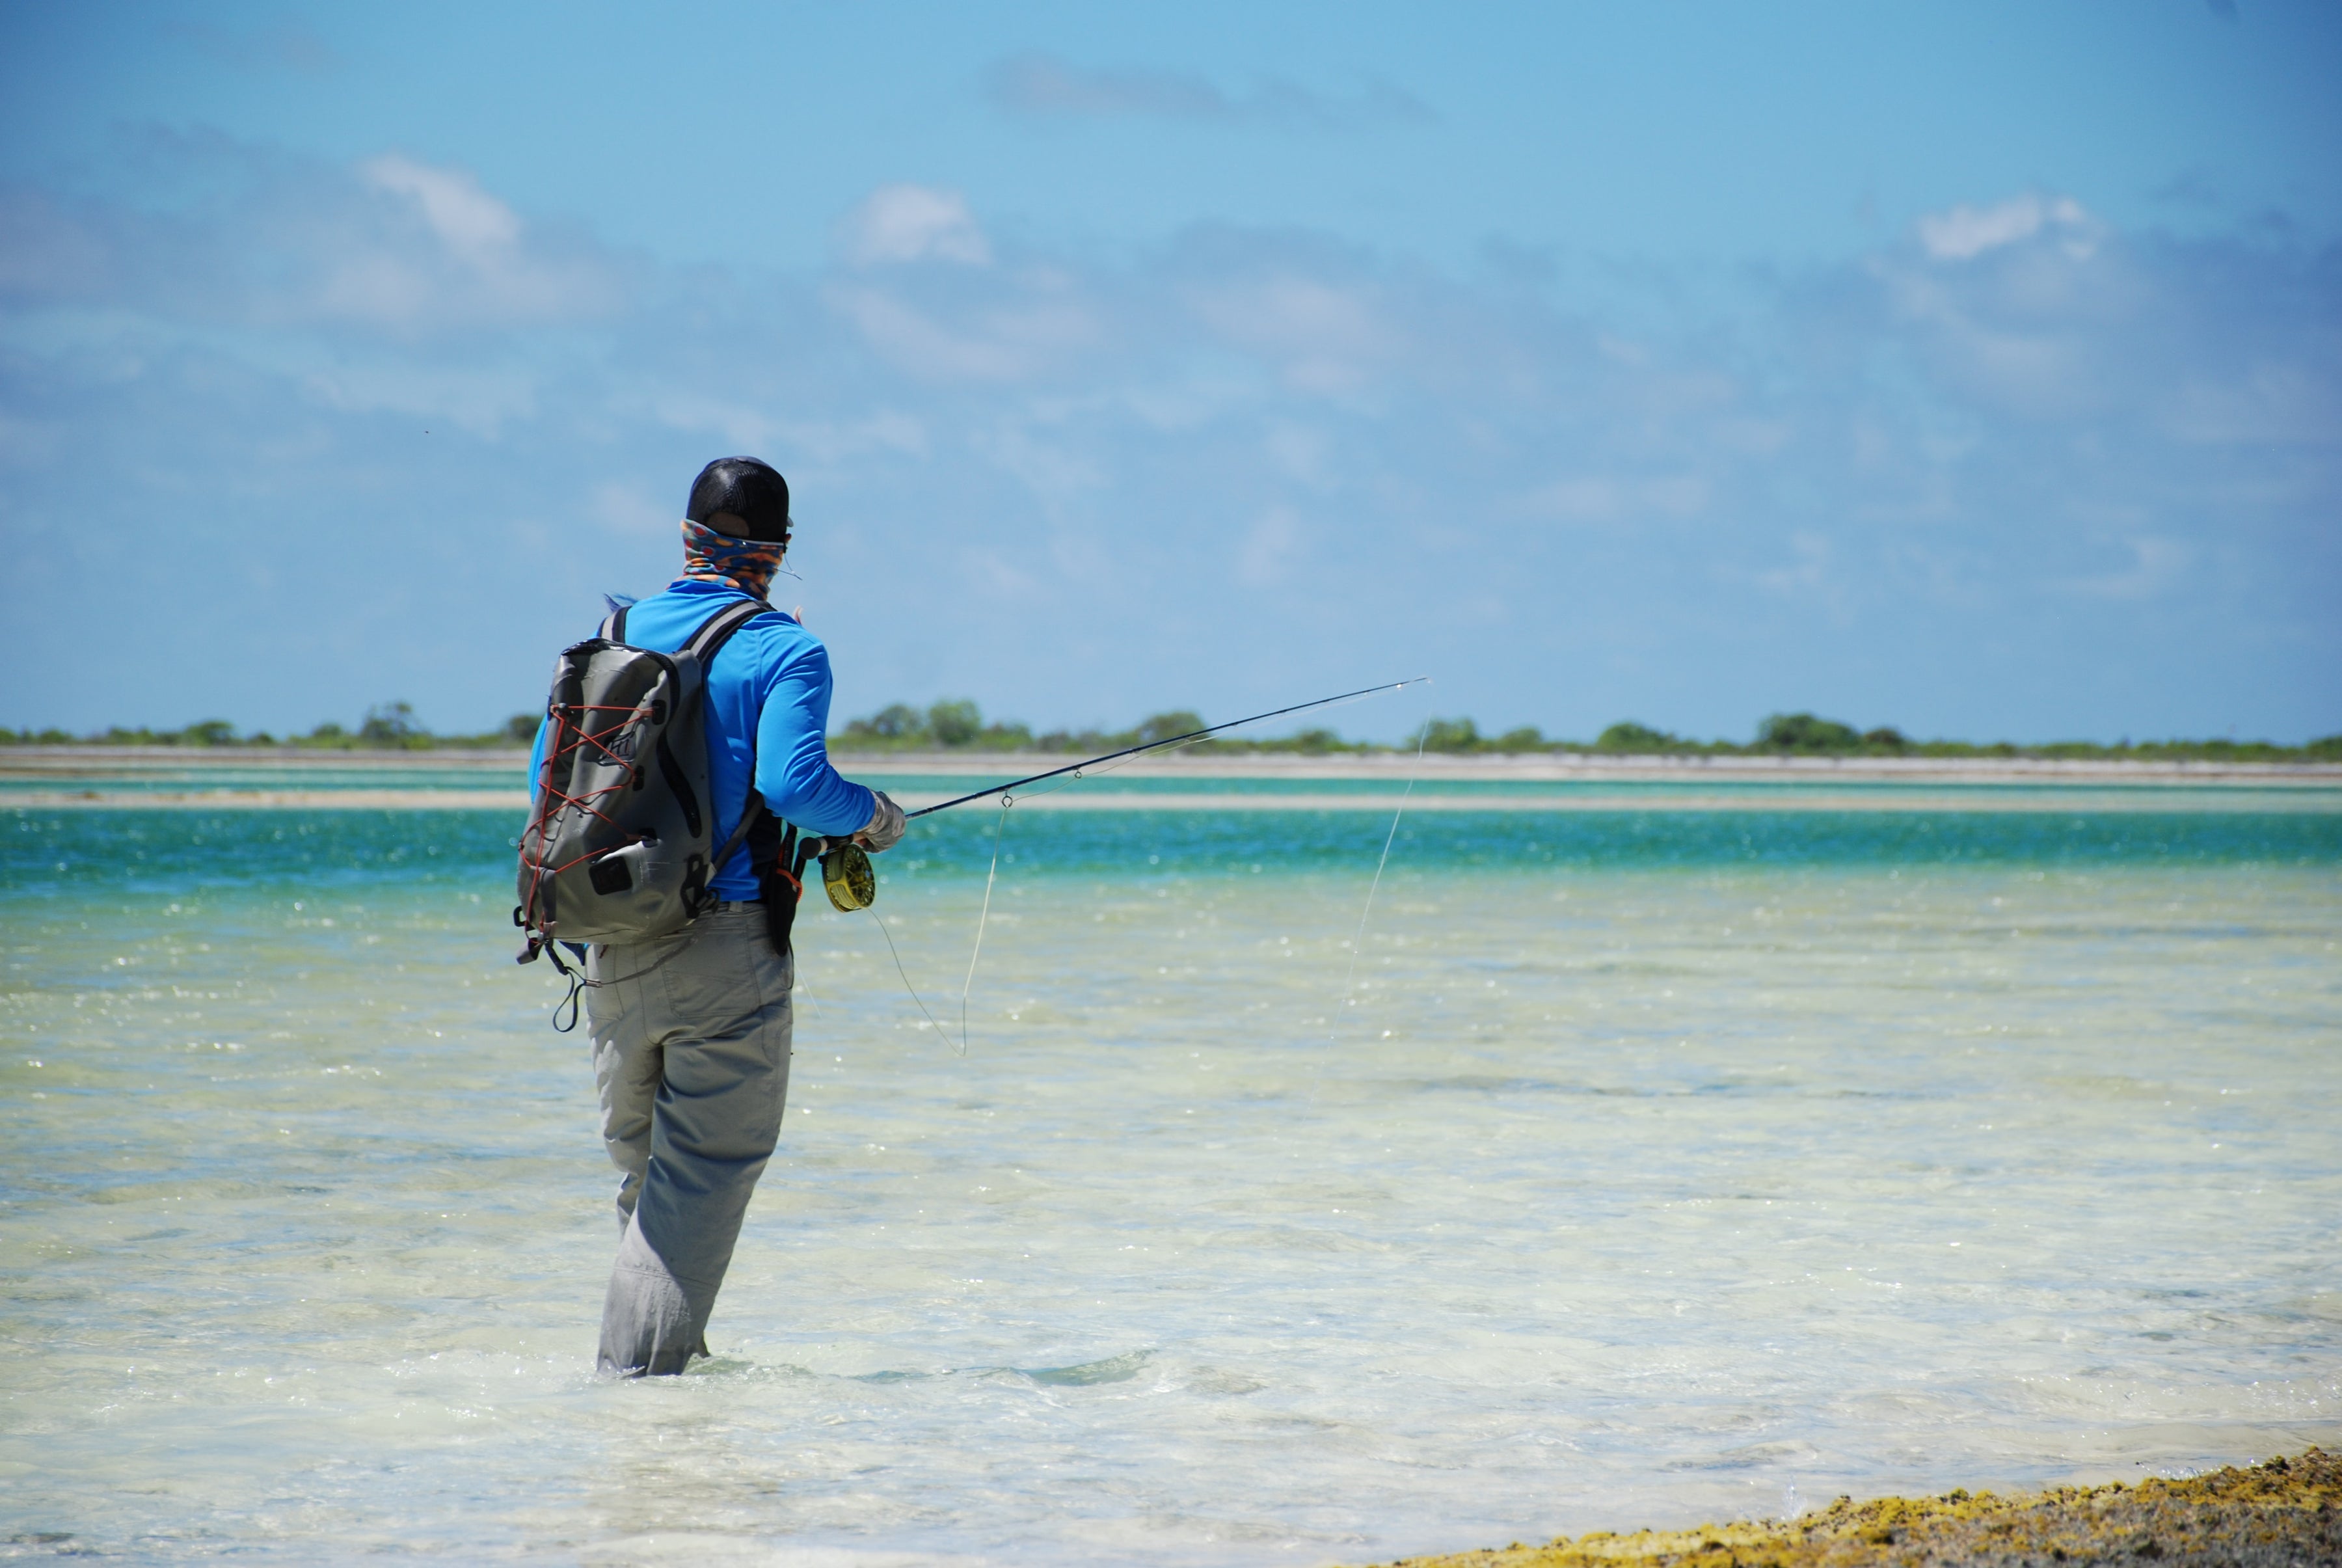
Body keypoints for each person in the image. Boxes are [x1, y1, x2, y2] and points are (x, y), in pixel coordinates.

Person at [548, 455, 906, 1375]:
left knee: (651, 1185)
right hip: (724, 945)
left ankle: (668, 1451)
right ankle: (634, 1393)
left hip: (607, 946)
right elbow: (796, 785)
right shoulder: (787, 649)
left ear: (684, 539)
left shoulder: (610, 635)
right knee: (697, 1181)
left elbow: (547, 789)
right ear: (779, 553)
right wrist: (874, 816)